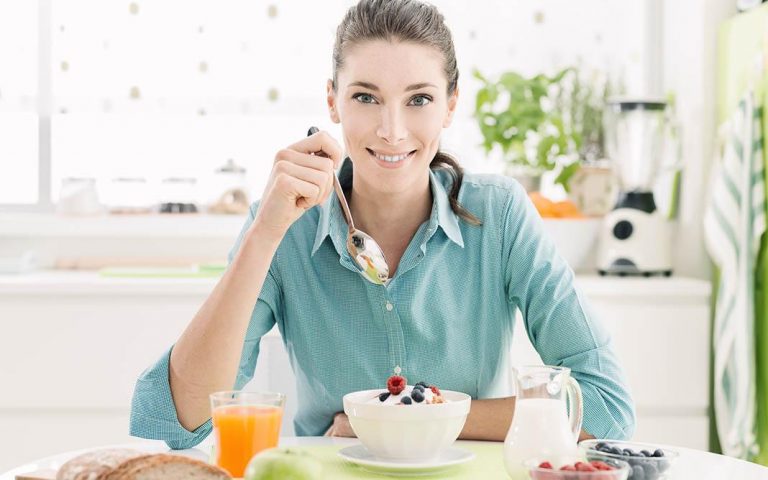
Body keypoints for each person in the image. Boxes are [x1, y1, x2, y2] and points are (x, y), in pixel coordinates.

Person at [130, 0, 635, 449]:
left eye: (418, 99)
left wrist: (407, 420)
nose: (392, 132)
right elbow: (174, 421)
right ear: (332, 101)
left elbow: (606, 407)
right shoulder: (286, 224)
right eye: (366, 98)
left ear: (450, 106)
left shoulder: (499, 214)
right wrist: (265, 233)